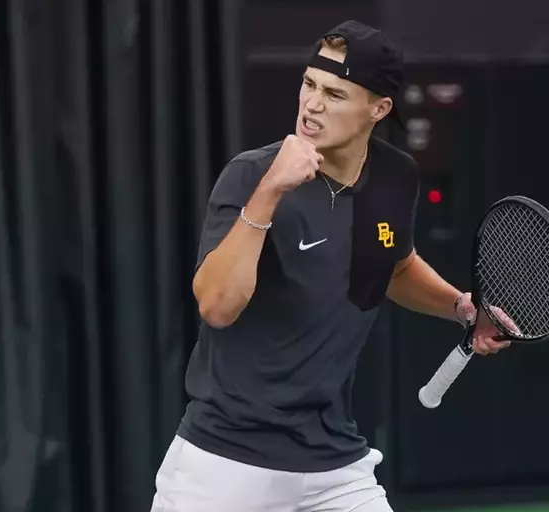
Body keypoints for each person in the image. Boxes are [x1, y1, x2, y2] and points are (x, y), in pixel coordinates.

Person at [150, 20, 513, 512]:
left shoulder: (395, 177)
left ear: (378, 109)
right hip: (225, 464)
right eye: (309, 85)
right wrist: (270, 194)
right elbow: (216, 306)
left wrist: (462, 308)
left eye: (335, 94)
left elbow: (395, 266)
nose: (313, 104)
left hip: (334, 465)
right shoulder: (252, 175)